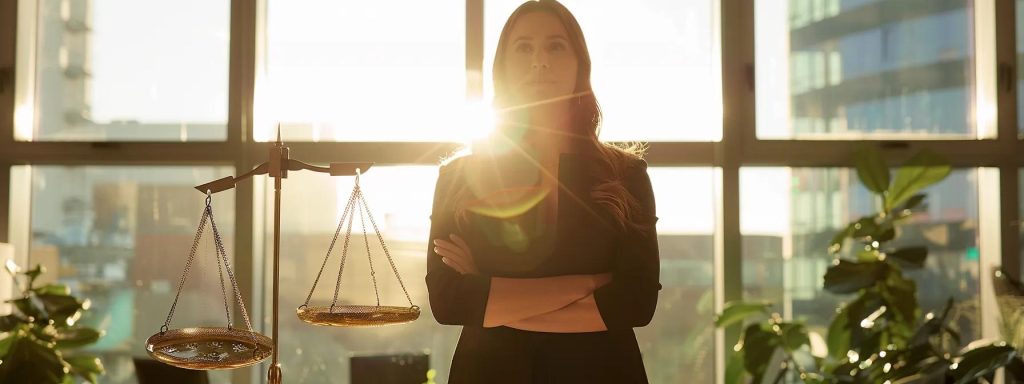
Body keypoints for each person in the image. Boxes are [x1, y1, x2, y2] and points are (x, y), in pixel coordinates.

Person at [425, 0, 661, 382]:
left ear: (579, 64)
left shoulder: (625, 174)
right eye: (524, 47)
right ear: (502, 67)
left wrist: (492, 298)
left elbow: (636, 302)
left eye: (555, 46)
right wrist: (589, 285)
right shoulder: (459, 176)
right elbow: (450, 301)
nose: (540, 61)